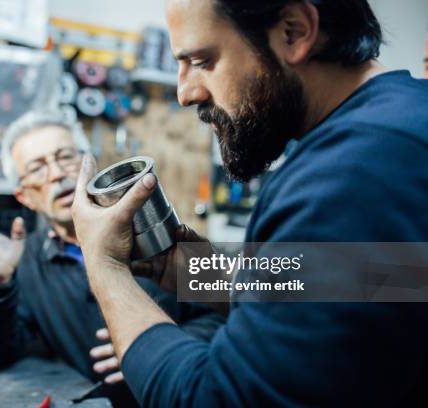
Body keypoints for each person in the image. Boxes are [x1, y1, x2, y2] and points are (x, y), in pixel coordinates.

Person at [71, 0, 428, 406]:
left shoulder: (349, 174)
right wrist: (198, 273)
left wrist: (106, 268)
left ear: (293, 31)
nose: (186, 93)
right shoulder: (403, 127)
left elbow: (214, 399)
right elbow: (383, 283)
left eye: (202, 61)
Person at [0, 109, 224, 406]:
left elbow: (227, 313)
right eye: (37, 168)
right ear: (24, 197)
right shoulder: (28, 263)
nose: (57, 173)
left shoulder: (156, 229)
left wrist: (159, 343)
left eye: (66, 156)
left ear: (89, 162)